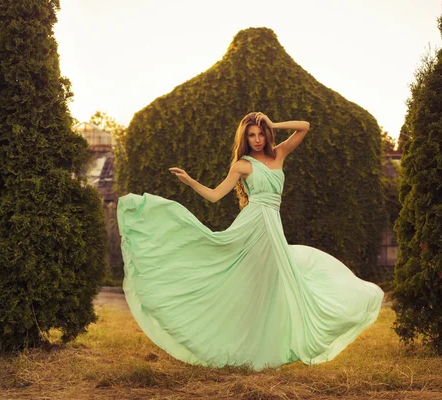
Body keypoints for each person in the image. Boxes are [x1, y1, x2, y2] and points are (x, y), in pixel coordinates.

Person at [117, 112, 384, 370]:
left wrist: (274, 123)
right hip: (254, 225)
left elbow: (305, 126)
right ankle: (240, 346)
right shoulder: (242, 164)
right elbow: (214, 195)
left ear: (266, 134)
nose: (256, 139)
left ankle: (262, 350)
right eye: (251, 135)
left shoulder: (279, 153)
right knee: (255, 285)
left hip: (272, 225)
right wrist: (190, 181)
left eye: (260, 133)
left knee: (275, 285)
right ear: (245, 138)